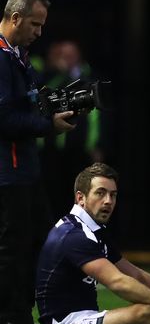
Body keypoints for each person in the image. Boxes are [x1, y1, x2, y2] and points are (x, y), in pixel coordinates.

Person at [35, 163, 150, 324]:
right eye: (100, 193)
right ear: (81, 198)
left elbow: (137, 276)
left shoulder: (93, 230)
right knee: (144, 313)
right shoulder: (74, 236)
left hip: (86, 319)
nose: (108, 201)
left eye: (113, 195)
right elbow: (118, 282)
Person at [0, 0, 76, 324]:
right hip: (7, 173)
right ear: (15, 18)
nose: (39, 32)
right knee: (12, 252)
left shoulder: (18, 55)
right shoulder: (1, 58)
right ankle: (12, 319)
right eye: (35, 24)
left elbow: (25, 106)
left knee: (39, 246)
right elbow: (3, 120)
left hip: (25, 170)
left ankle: (26, 314)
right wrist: (47, 125)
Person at [38, 39, 104, 218]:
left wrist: (95, 145)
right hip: (53, 148)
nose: (66, 59)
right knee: (53, 194)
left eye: (70, 55)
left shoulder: (89, 77)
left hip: (80, 149)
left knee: (80, 195)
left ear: (79, 57)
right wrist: (58, 71)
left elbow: (97, 116)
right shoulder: (52, 77)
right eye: (62, 55)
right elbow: (42, 96)